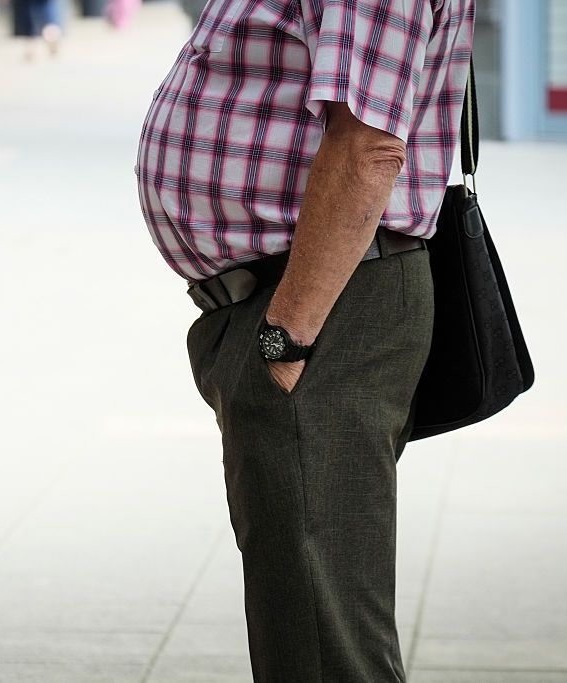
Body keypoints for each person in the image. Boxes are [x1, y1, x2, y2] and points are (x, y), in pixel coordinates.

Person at [135, 0, 475, 680]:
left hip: (322, 308)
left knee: (325, 647)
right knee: (304, 627)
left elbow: (368, 146)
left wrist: (282, 344)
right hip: (299, 306)